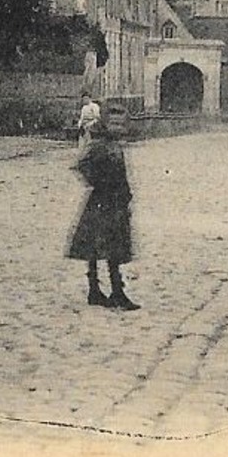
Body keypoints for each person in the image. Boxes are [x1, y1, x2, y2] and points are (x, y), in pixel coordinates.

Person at [67, 101, 140, 310]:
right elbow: (81, 165)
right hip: (103, 201)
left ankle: (110, 290)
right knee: (101, 245)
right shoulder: (99, 144)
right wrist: (98, 183)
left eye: (121, 125)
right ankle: (101, 290)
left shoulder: (113, 144)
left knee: (110, 245)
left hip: (116, 200)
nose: (118, 129)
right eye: (114, 124)